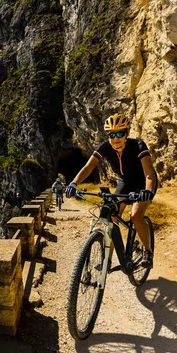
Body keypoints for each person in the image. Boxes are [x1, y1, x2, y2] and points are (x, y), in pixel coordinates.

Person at [65, 113, 158, 267]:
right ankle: (106, 259)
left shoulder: (138, 146)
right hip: (125, 182)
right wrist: (73, 184)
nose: (116, 138)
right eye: (112, 134)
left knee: (135, 216)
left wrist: (147, 191)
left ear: (126, 133)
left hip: (143, 183)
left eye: (120, 133)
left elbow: (149, 173)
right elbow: (88, 167)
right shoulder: (105, 147)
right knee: (113, 218)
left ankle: (147, 251)